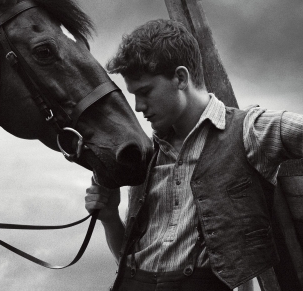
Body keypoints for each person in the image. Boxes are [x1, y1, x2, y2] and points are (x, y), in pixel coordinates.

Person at [85, 19, 303, 291]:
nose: (139, 107)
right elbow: (128, 262)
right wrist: (109, 217)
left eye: (145, 92)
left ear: (180, 78)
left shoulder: (248, 130)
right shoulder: (148, 156)